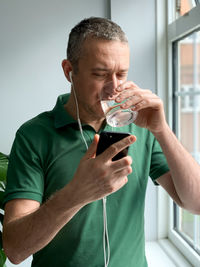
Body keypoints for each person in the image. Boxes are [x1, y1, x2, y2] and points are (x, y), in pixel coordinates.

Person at [2, 17, 200, 267]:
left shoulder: (142, 126)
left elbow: (196, 202)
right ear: (68, 71)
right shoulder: (34, 136)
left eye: (122, 74)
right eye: (100, 74)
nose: (114, 88)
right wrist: (77, 193)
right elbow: (15, 249)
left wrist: (162, 130)